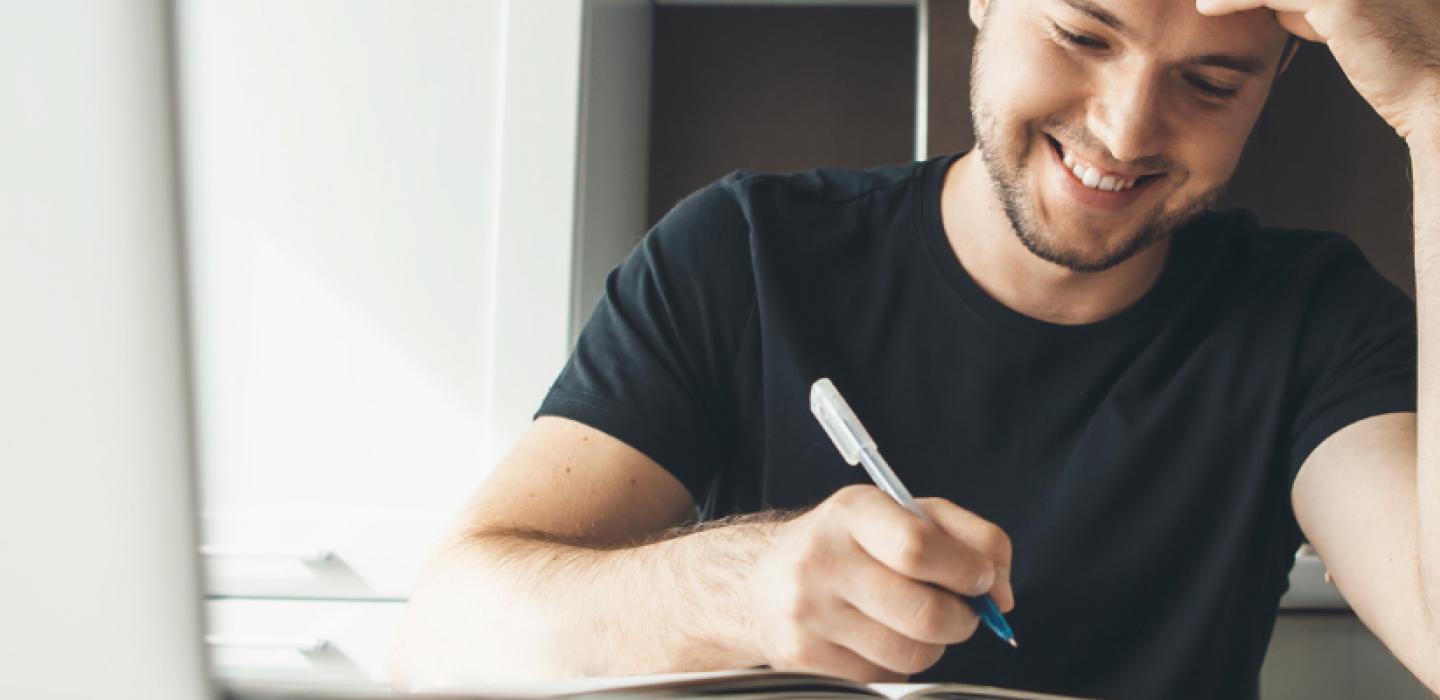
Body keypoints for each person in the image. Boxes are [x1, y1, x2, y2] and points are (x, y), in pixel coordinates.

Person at [391, 0, 1440, 696]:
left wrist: (1433, 102)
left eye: (1211, 84)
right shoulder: (744, 254)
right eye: (1081, 33)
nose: (1125, 131)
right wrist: (744, 589)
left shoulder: (1315, 320)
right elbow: (440, 643)